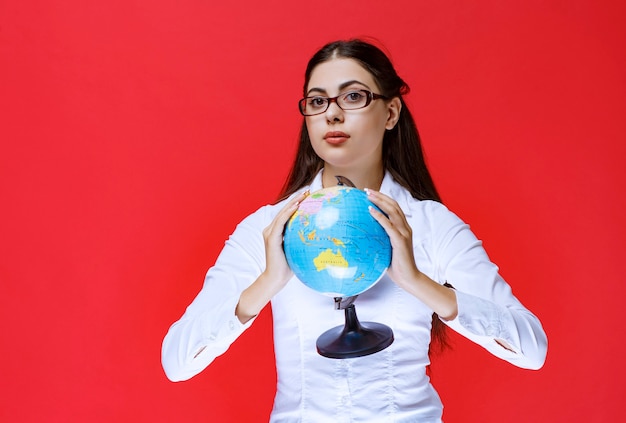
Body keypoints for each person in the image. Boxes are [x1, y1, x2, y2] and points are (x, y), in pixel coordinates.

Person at [161, 39, 548, 422]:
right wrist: (266, 282)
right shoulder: (271, 227)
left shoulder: (430, 225)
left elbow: (531, 350)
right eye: (317, 101)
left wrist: (418, 282)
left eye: (353, 97)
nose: (332, 115)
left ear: (391, 112)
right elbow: (177, 362)